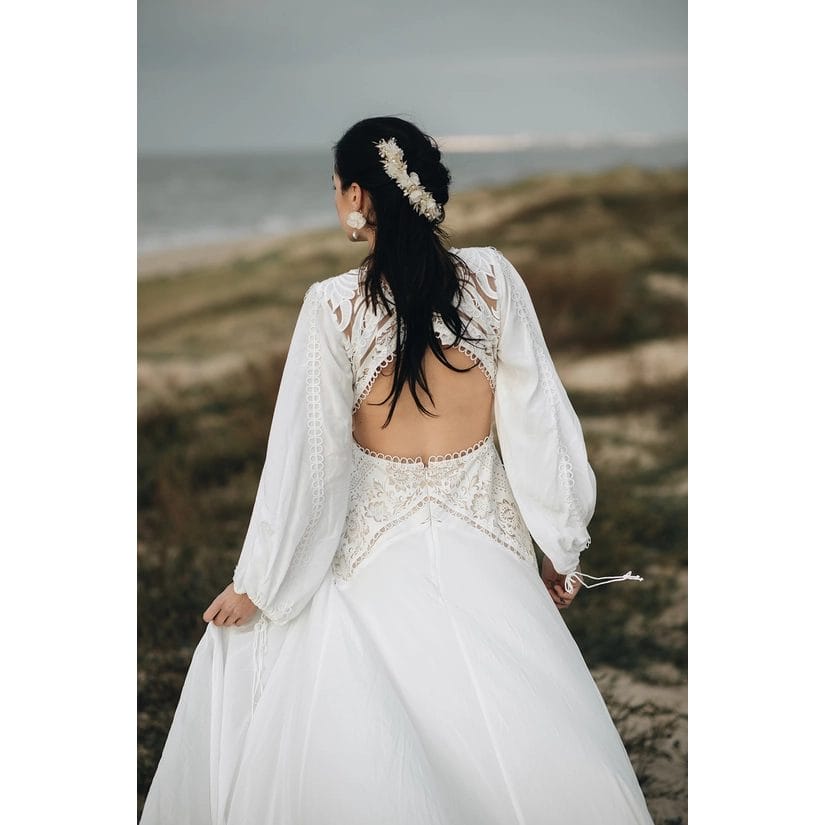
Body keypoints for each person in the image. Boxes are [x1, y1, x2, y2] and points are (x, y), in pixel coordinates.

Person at [140, 116, 653, 824]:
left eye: (334, 188)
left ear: (359, 196)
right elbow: (538, 421)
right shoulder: (494, 279)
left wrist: (259, 580)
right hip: (490, 550)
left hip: (371, 558)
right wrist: (560, 547)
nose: (335, 201)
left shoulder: (333, 305)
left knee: (245, 664)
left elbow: (307, 462)